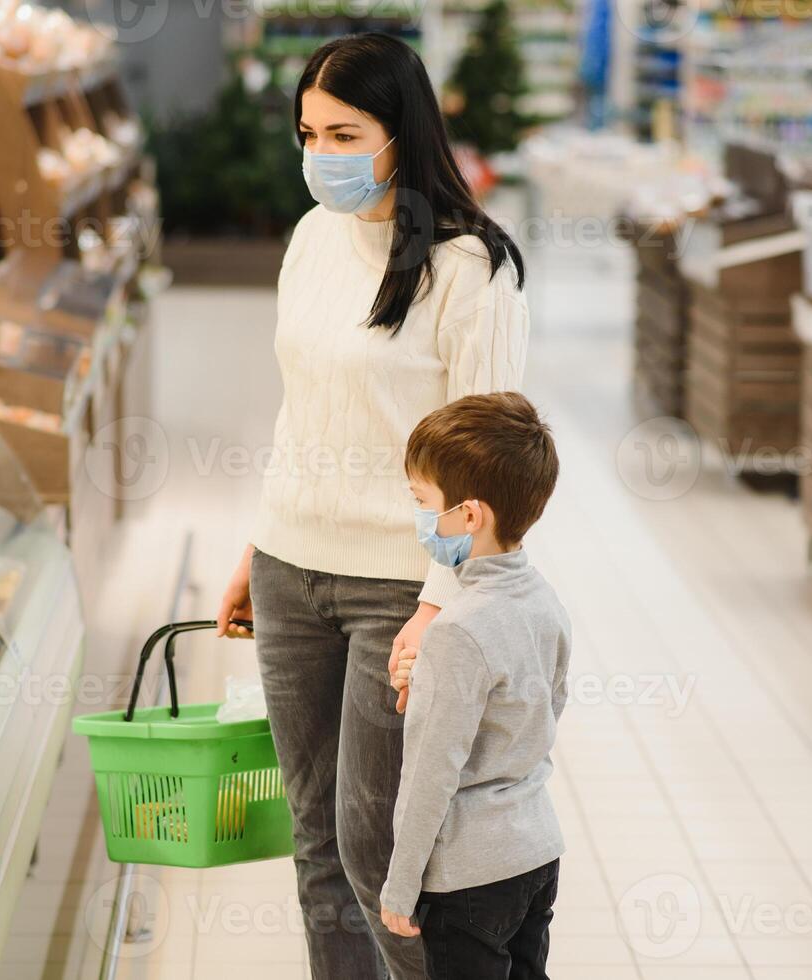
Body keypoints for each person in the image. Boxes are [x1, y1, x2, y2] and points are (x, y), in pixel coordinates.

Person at [213, 32, 530, 980]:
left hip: (400, 583)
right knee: (313, 842)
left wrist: (441, 601)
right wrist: (255, 545)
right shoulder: (312, 239)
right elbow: (303, 408)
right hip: (289, 565)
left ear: (402, 131)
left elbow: (492, 464)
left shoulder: (470, 269)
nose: (321, 155)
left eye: (345, 133)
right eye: (309, 133)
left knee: (381, 854)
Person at [379, 391, 569, 980]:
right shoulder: (543, 600)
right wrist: (433, 672)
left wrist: (399, 884)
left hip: (470, 876)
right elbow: (540, 708)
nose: (419, 518)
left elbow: (432, 772)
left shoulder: (459, 628)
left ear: (469, 514)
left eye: (423, 502)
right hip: (535, 851)